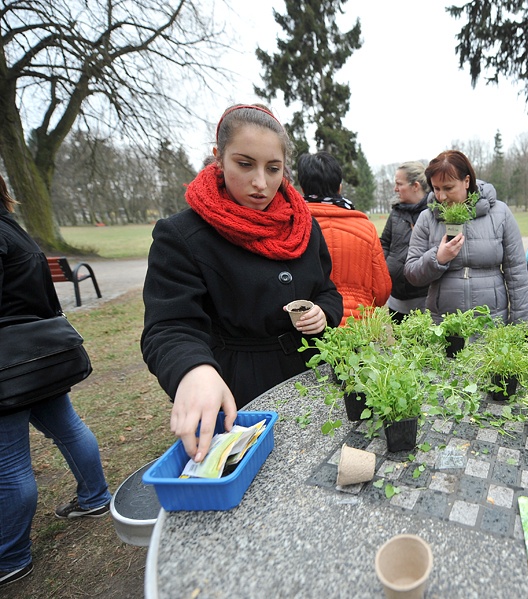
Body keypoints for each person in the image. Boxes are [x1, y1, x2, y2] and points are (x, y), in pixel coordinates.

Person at [142, 104, 344, 464]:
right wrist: (193, 369)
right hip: (241, 388)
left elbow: (326, 289)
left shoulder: (304, 225)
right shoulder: (183, 235)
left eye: (273, 168)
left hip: (312, 374)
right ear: (218, 158)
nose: (260, 183)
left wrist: (323, 312)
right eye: (245, 164)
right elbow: (170, 326)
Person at [0, 174, 112, 589]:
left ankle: (9, 556)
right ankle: (96, 497)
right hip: (41, 358)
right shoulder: (17, 231)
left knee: (9, 464)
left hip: (7, 368)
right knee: (68, 428)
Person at [404, 150, 528, 325]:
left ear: (466, 181)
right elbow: (412, 273)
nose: (441, 196)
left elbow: (517, 274)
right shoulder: (426, 218)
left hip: (492, 324)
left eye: (448, 188)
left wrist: (520, 327)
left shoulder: (500, 213)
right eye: (436, 188)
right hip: (445, 326)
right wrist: (438, 258)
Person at [296, 151, 391, 326]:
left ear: (302, 188)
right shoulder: (366, 227)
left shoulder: (294, 227)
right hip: (360, 327)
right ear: (339, 187)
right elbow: (382, 290)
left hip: (311, 325)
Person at [380, 161, 431, 323]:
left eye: (399, 184)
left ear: (415, 186)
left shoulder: (433, 214)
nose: (395, 189)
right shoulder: (396, 213)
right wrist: (387, 269)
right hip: (396, 299)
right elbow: (385, 243)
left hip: (424, 300)